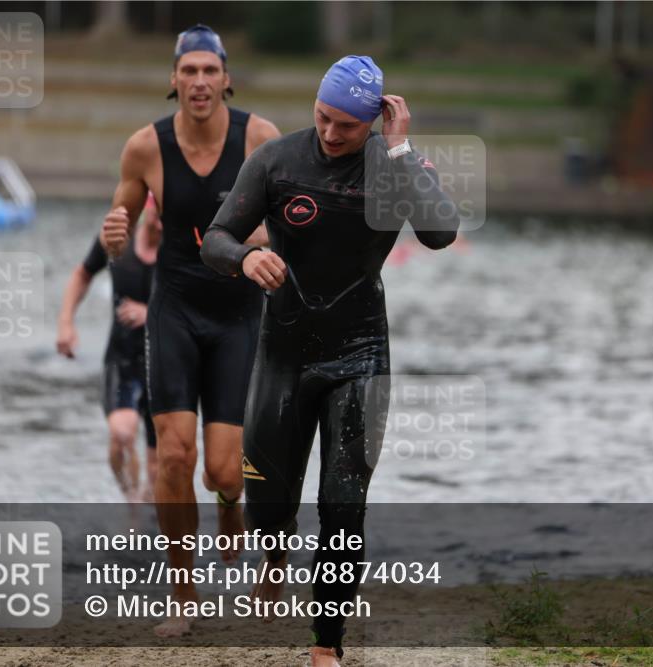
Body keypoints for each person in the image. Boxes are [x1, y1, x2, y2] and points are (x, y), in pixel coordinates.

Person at [201, 55, 459, 667]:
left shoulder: (394, 166)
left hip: (360, 354)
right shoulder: (277, 161)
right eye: (322, 116)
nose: (330, 132)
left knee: (343, 505)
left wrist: (400, 151)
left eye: (346, 125)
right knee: (267, 508)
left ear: (374, 122)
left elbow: (441, 232)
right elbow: (215, 238)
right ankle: (274, 551)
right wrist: (245, 258)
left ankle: (326, 645)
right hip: (284, 353)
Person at [99, 24, 280, 638]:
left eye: (210, 71)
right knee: (174, 455)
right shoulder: (144, 148)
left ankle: (230, 504)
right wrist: (113, 237)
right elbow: (119, 227)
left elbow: (290, 224)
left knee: (223, 472)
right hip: (173, 310)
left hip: (237, 315)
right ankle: (183, 593)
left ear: (226, 79)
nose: (199, 81)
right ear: (173, 80)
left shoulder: (259, 139)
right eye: (189, 71)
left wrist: (258, 239)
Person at [57, 194, 161, 502]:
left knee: (158, 473)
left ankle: (148, 510)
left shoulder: (178, 250)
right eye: (156, 214)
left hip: (164, 362)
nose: (160, 224)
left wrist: (150, 314)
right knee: (121, 432)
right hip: (122, 357)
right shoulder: (117, 241)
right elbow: (82, 274)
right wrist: (66, 322)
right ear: (146, 210)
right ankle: (130, 499)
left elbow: (197, 302)